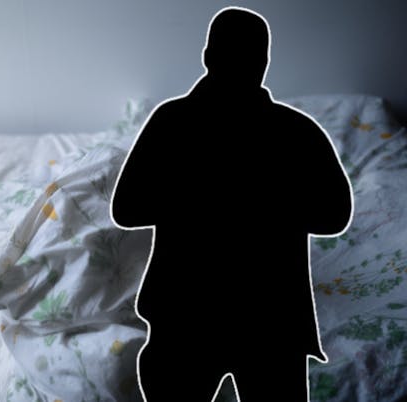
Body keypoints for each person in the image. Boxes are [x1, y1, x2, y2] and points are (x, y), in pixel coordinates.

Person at [111, 7, 353, 402]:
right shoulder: (297, 132)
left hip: (189, 314)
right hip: (267, 320)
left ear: (208, 55)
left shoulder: (171, 122)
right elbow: (334, 215)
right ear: (264, 62)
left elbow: (126, 208)